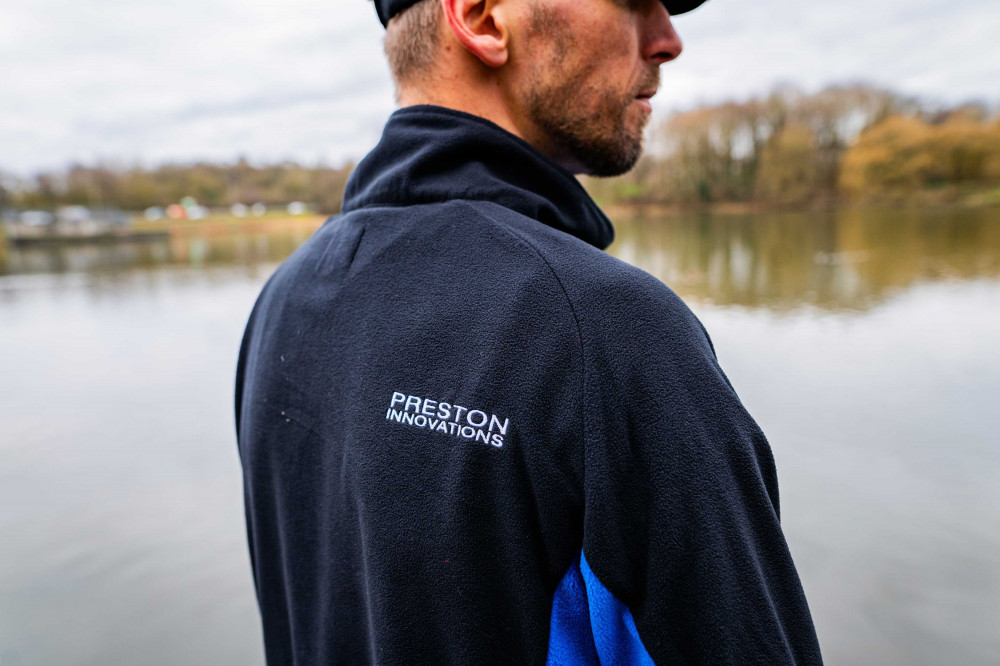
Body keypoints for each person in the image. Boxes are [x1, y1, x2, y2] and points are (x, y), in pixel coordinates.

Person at [234, 0, 824, 661]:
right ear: (483, 19)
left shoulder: (283, 298)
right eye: (634, 2)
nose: (667, 40)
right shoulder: (607, 331)